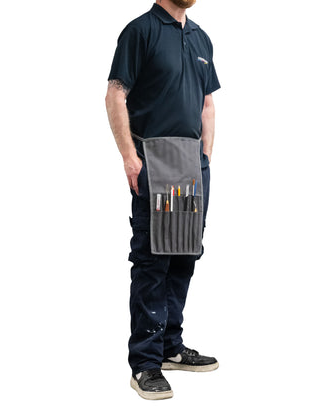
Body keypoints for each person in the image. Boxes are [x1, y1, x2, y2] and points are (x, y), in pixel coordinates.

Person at [105, 0, 221, 400]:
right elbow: (115, 95)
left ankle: (170, 346)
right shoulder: (140, 31)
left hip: (191, 164)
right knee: (153, 258)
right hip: (153, 158)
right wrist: (129, 155)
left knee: (184, 254)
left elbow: (207, 104)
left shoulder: (201, 38)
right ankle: (145, 363)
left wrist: (206, 158)